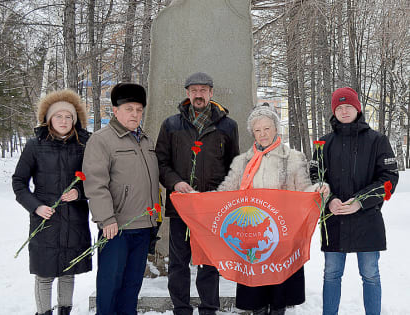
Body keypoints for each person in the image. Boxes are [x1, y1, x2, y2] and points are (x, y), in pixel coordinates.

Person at [216, 104, 329, 315]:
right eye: (257, 130)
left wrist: (318, 191)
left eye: (267, 128)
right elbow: (227, 192)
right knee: (256, 297)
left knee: (279, 296)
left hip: (282, 237)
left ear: (276, 128)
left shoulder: (294, 158)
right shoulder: (243, 162)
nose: (263, 134)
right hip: (252, 238)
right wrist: (200, 202)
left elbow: (304, 191)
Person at [310, 87, 399, 315]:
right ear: (334, 111)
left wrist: (361, 201)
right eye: (339, 107)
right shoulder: (323, 143)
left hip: (367, 219)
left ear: (358, 108)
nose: (344, 111)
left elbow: (389, 177)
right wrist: (329, 200)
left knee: (370, 274)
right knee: (331, 274)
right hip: (334, 220)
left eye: (348, 106)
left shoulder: (377, 140)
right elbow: (315, 177)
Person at [156, 72, 239, 315]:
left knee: (209, 263)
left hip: (212, 208)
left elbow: (234, 165)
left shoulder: (227, 125)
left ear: (211, 93)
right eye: (194, 90)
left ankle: (209, 309)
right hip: (182, 205)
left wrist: (221, 194)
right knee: (179, 262)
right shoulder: (171, 125)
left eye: (203, 90)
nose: (198, 94)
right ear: (187, 94)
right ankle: (181, 309)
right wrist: (176, 183)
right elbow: (161, 162)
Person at [12, 89, 92, 315]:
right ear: (49, 119)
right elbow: (19, 182)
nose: (64, 121)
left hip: (74, 219)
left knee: (68, 271)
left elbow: (97, 179)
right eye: (59, 116)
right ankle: (43, 312)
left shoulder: (85, 144)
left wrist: (80, 192)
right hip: (45, 219)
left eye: (69, 117)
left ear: (75, 120)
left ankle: (64, 312)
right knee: (45, 273)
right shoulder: (34, 145)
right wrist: (36, 206)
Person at [82, 83, 159, 315]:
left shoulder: (146, 141)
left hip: (143, 225)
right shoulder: (102, 140)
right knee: (110, 284)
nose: (134, 114)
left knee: (132, 285)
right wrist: (106, 218)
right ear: (115, 110)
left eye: (138, 109)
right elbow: (96, 183)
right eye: (128, 108)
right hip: (116, 228)